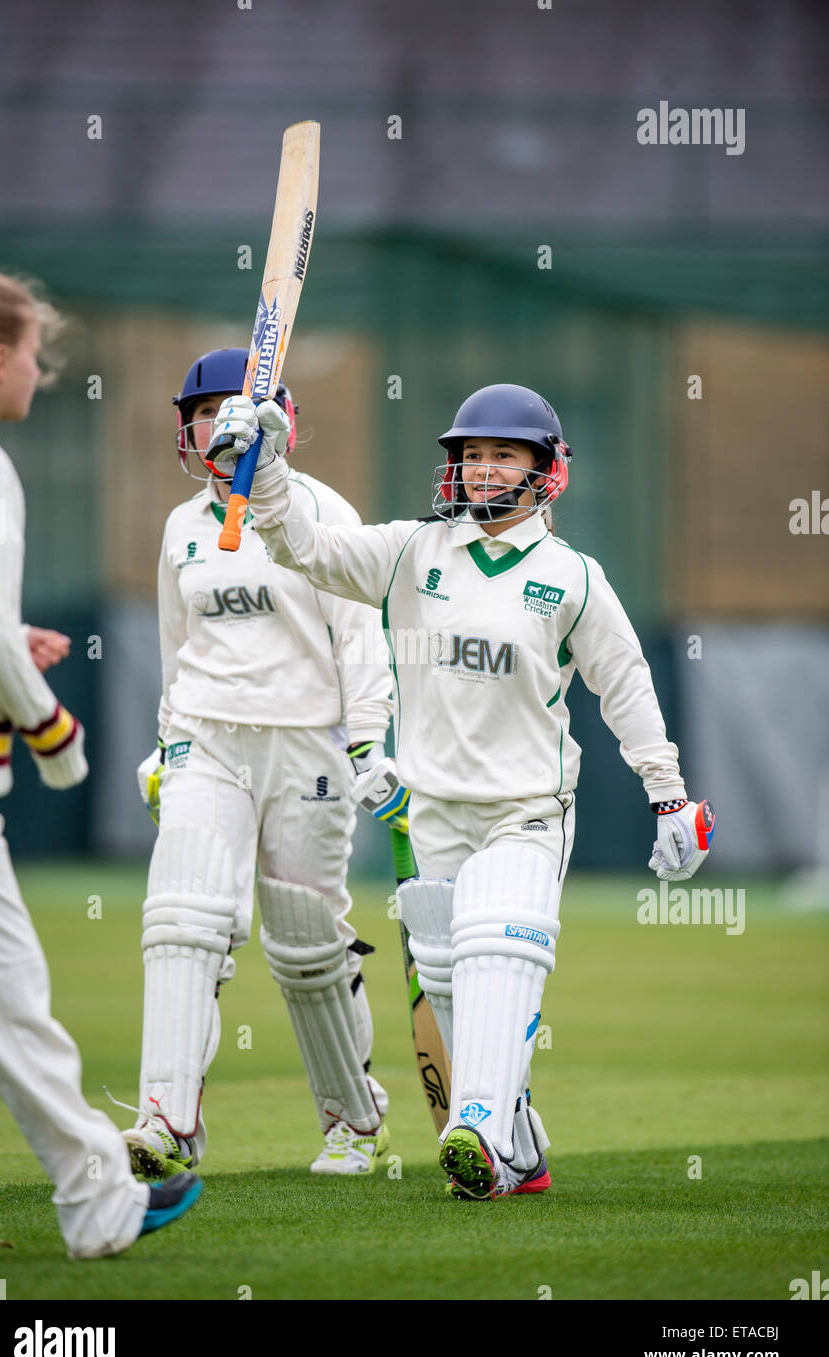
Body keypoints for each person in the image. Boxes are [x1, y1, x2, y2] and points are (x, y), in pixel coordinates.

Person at [203, 381, 716, 1201]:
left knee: (497, 950)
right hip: (431, 811)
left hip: (525, 810)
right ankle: (517, 1147)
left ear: (545, 469)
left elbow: (625, 687)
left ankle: (472, 1122)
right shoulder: (413, 552)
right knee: (446, 979)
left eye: (500, 455)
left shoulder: (572, 579)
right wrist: (261, 469)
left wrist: (668, 794)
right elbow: (306, 548)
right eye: (469, 456)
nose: (479, 471)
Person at [0, 266, 202, 1257]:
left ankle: (99, 1187)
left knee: (13, 999)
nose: (42, 370)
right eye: (35, 352)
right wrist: (50, 725)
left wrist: (8, 639)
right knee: (13, 1001)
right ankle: (101, 1196)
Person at [120, 349, 395, 1180]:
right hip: (208, 739)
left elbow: (362, 640)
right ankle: (166, 1122)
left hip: (305, 743)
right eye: (201, 413)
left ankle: (355, 1122)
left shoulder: (320, 512)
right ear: (188, 428)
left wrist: (368, 742)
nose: (214, 426)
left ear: (280, 424)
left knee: (307, 944)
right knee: (181, 919)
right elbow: (178, 645)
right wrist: (167, 738)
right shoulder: (180, 527)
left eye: (227, 412)